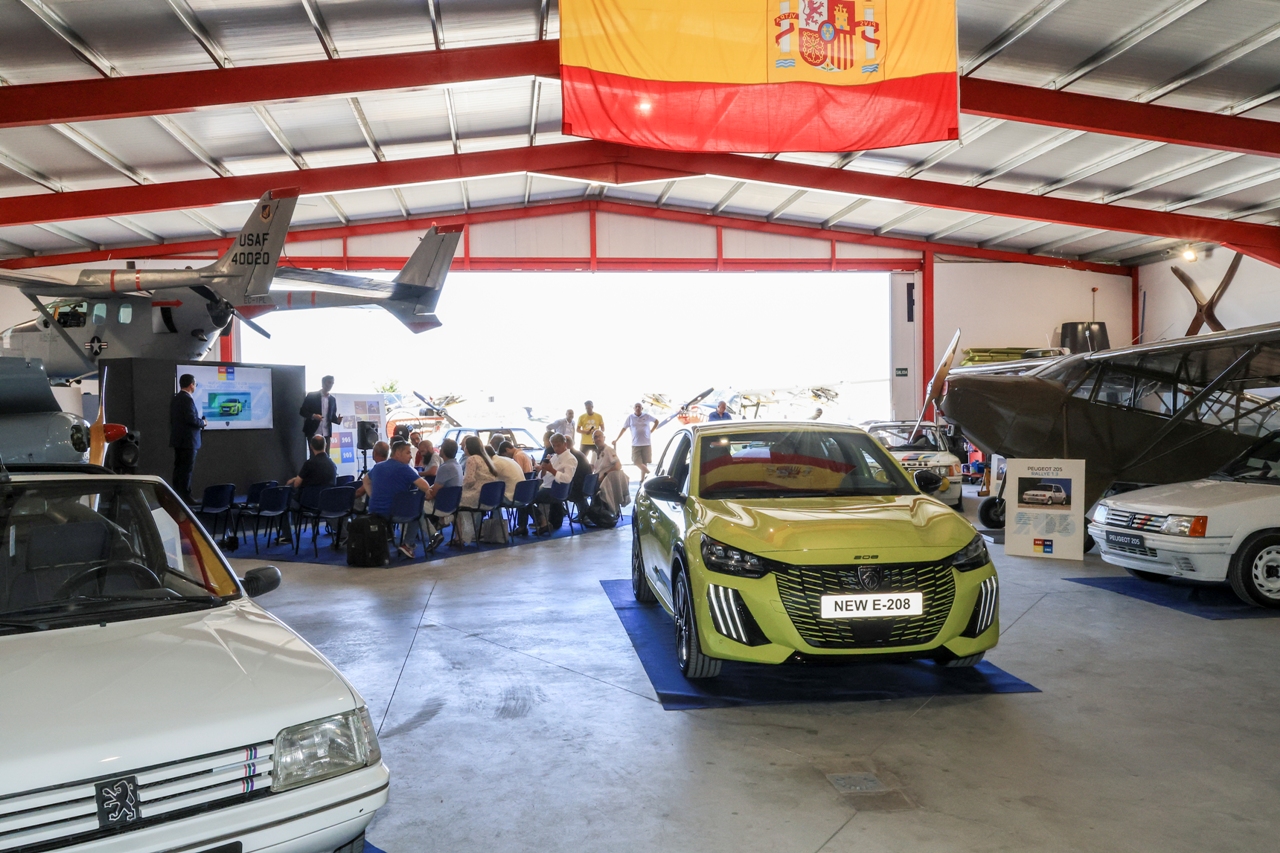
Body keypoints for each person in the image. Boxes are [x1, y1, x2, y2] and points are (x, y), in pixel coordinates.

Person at [363, 439, 434, 559]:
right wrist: (429, 493)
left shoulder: (377, 467)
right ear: (397, 453)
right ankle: (408, 544)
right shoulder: (405, 469)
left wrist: (372, 495)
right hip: (394, 514)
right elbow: (425, 486)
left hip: (375, 512)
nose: (411, 456)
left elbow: (365, 481)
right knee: (418, 511)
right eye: (408, 453)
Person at [278, 434, 338, 545]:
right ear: (325, 445)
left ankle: (286, 536)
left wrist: (296, 479)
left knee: (284, 501)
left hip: (308, 503)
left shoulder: (309, 464)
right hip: (326, 503)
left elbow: (297, 484)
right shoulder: (332, 464)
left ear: (311, 446)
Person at [526, 433, 578, 536]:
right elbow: (542, 476)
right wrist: (543, 469)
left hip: (556, 490)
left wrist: (552, 470)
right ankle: (541, 522)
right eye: (554, 446)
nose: (556, 448)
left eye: (558, 445)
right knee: (527, 497)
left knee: (525, 500)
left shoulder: (570, 459)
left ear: (565, 444)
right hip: (547, 486)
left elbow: (567, 479)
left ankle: (542, 521)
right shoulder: (554, 457)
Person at [169, 373, 206, 505]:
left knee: (178, 469)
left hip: (179, 440)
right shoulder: (187, 399)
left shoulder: (176, 398)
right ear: (191, 385)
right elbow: (192, 419)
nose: (195, 387)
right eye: (195, 384)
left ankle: (177, 496)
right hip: (189, 441)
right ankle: (186, 497)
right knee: (186, 470)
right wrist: (203, 423)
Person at [456, 435, 500, 544]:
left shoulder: (472, 459)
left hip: (477, 496)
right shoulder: (486, 458)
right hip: (490, 496)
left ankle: (460, 536)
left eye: (465, 446)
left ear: (469, 447)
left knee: (454, 501)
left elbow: (469, 480)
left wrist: (459, 487)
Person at [616, 402, 659, 480]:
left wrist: (651, 431)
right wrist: (617, 439)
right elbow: (624, 428)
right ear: (634, 408)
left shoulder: (646, 416)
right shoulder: (630, 417)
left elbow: (656, 421)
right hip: (635, 444)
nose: (638, 408)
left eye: (639, 407)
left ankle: (642, 480)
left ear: (642, 408)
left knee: (644, 462)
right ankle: (650, 474)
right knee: (636, 462)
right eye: (636, 407)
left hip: (646, 443)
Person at [592, 429, 630, 514]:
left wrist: (605, 474)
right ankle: (590, 512)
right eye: (595, 437)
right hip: (596, 479)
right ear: (593, 440)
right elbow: (592, 467)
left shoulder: (608, 450)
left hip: (605, 481)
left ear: (604, 438)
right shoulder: (595, 452)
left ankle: (596, 512)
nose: (598, 439)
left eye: (599, 436)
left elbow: (618, 466)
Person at [300, 375, 341, 453]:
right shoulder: (312, 396)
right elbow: (302, 411)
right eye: (329, 382)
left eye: (332, 383)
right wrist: (313, 416)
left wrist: (337, 420)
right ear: (323, 383)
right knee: (314, 456)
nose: (331, 385)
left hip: (326, 433)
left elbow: (331, 416)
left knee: (326, 456)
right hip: (313, 431)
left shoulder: (332, 399)